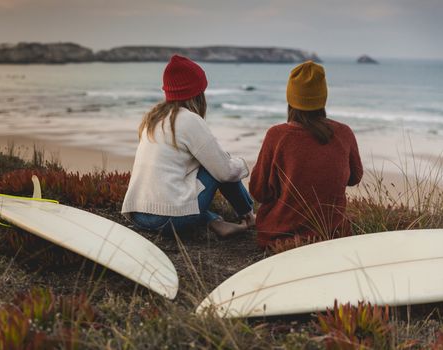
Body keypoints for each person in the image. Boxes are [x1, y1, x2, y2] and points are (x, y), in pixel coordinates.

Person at [122, 55, 255, 237]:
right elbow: (224, 172)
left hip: (138, 215)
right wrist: (240, 163)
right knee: (221, 166)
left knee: (207, 164)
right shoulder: (189, 119)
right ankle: (248, 215)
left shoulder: (153, 119)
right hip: (170, 220)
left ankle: (213, 221)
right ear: (198, 93)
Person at [249, 61, 363, 247]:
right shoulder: (344, 132)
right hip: (332, 236)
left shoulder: (277, 135)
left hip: (281, 238)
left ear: (291, 99)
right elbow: (355, 177)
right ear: (322, 98)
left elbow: (258, 191)